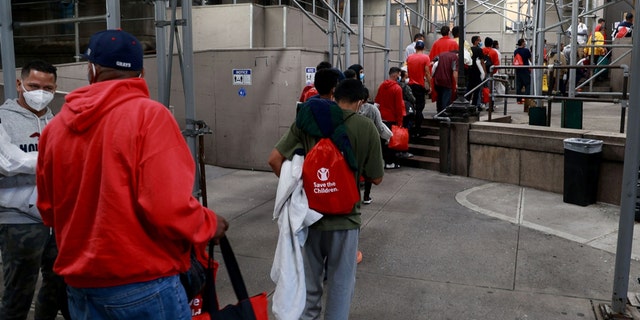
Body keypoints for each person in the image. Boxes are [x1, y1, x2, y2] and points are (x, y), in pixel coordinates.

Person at [35, 29, 229, 319]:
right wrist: (209, 224)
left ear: (92, 69)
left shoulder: (55, 128)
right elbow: (167, 207)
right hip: (143, 286)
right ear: (141, 72)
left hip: (80, 287)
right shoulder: (149, 117)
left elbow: (48, 211)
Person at [268, 78, 384, 320]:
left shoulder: (308, 120)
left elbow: (274, 160)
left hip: (309, 219)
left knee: (308, 292)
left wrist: (296, 190)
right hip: (346, 222)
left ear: (334, 96)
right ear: (360, 102)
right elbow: (376, 178)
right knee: (341, 289)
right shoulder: (366, 127)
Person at [0, 59, 70, 320]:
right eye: (33, 85)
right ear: (20, 85)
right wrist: (52, 162)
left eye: (48, 88)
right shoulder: (2, 119)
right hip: (18, 220)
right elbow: (6, 163)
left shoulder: (60, 122)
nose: (40, 92)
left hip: (58, 220)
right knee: (19, 292)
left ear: (55, 89)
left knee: (57, 287)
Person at [358, 87, 392, 205]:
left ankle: (355, 197)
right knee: (369, 169)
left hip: (357, 141)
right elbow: (379, 124)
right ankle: (366, 196)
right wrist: (387, 136)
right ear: (367, 97)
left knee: (356, 168)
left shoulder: (354, 108)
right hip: (371, 141)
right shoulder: (373, 109)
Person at [375, 67, 406, 169]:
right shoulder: (397, 89)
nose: (399, 77)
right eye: (399, 74)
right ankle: (390, 162)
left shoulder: (382, 86)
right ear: (395, 74)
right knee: (391, 142)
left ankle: (383, 161)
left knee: (382, 141)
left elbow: (377, 102)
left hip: (381, 118)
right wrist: (400, 122)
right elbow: (399, 107)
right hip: (392, 118)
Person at [406, 40, 432, 137]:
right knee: (419, 108)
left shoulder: (409, 58)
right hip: (419, 85)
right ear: (424, 48)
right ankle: (418, 129)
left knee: (411, 107)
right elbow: (428, 73)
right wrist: (430, 86)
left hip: (410, 85)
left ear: (415, 48)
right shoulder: (426, 58)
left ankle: (410, 128)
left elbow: (408, 71)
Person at [469, 36, 486, 110]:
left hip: (470, 71)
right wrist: (484, 71)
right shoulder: (479, 50)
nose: (480, 42)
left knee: (469, 88)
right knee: (477, 89)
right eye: (479, 40)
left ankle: (467, 102)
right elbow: (482, 61)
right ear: (475, 41)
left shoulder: (469, 49)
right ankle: (474, 105)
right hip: (477, 71)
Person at [514, 38, 532, 104]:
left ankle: (519, 100)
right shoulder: (526, 50)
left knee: (519, 85)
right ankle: (526, 98)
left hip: (518, 69)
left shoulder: (516, 51)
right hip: (525, 69)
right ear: (522, 43)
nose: (525, 43)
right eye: (524, 42)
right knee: (528, 84)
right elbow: (530, 59)